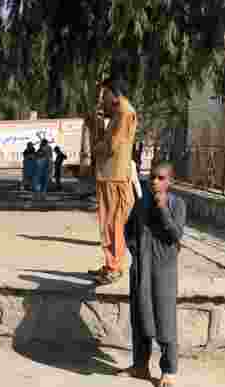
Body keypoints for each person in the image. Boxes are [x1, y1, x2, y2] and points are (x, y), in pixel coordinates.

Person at [122, 162, 186, 387]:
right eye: (152, 178)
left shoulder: (177, 204)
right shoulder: (141, 203)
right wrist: (135, 252)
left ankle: (168, 370)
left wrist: (162, 210)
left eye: (160, 178)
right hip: (142, 268)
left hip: (164, 271)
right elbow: (128, 229)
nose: (155, 182)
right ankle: (140, 366)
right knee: (140, 317)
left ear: (170, 181)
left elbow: (176, 234)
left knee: (164, 319)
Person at [90, 77, 138, 285]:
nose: (103, 98)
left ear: (114, 92)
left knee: (114, 224)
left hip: (115, 178)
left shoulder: (125, 113)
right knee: (108, 224)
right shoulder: (119, 113)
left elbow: (111, 146)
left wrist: (95, 144)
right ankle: (110, 264)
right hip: (109, 176)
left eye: (105, 93)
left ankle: (115, 267)